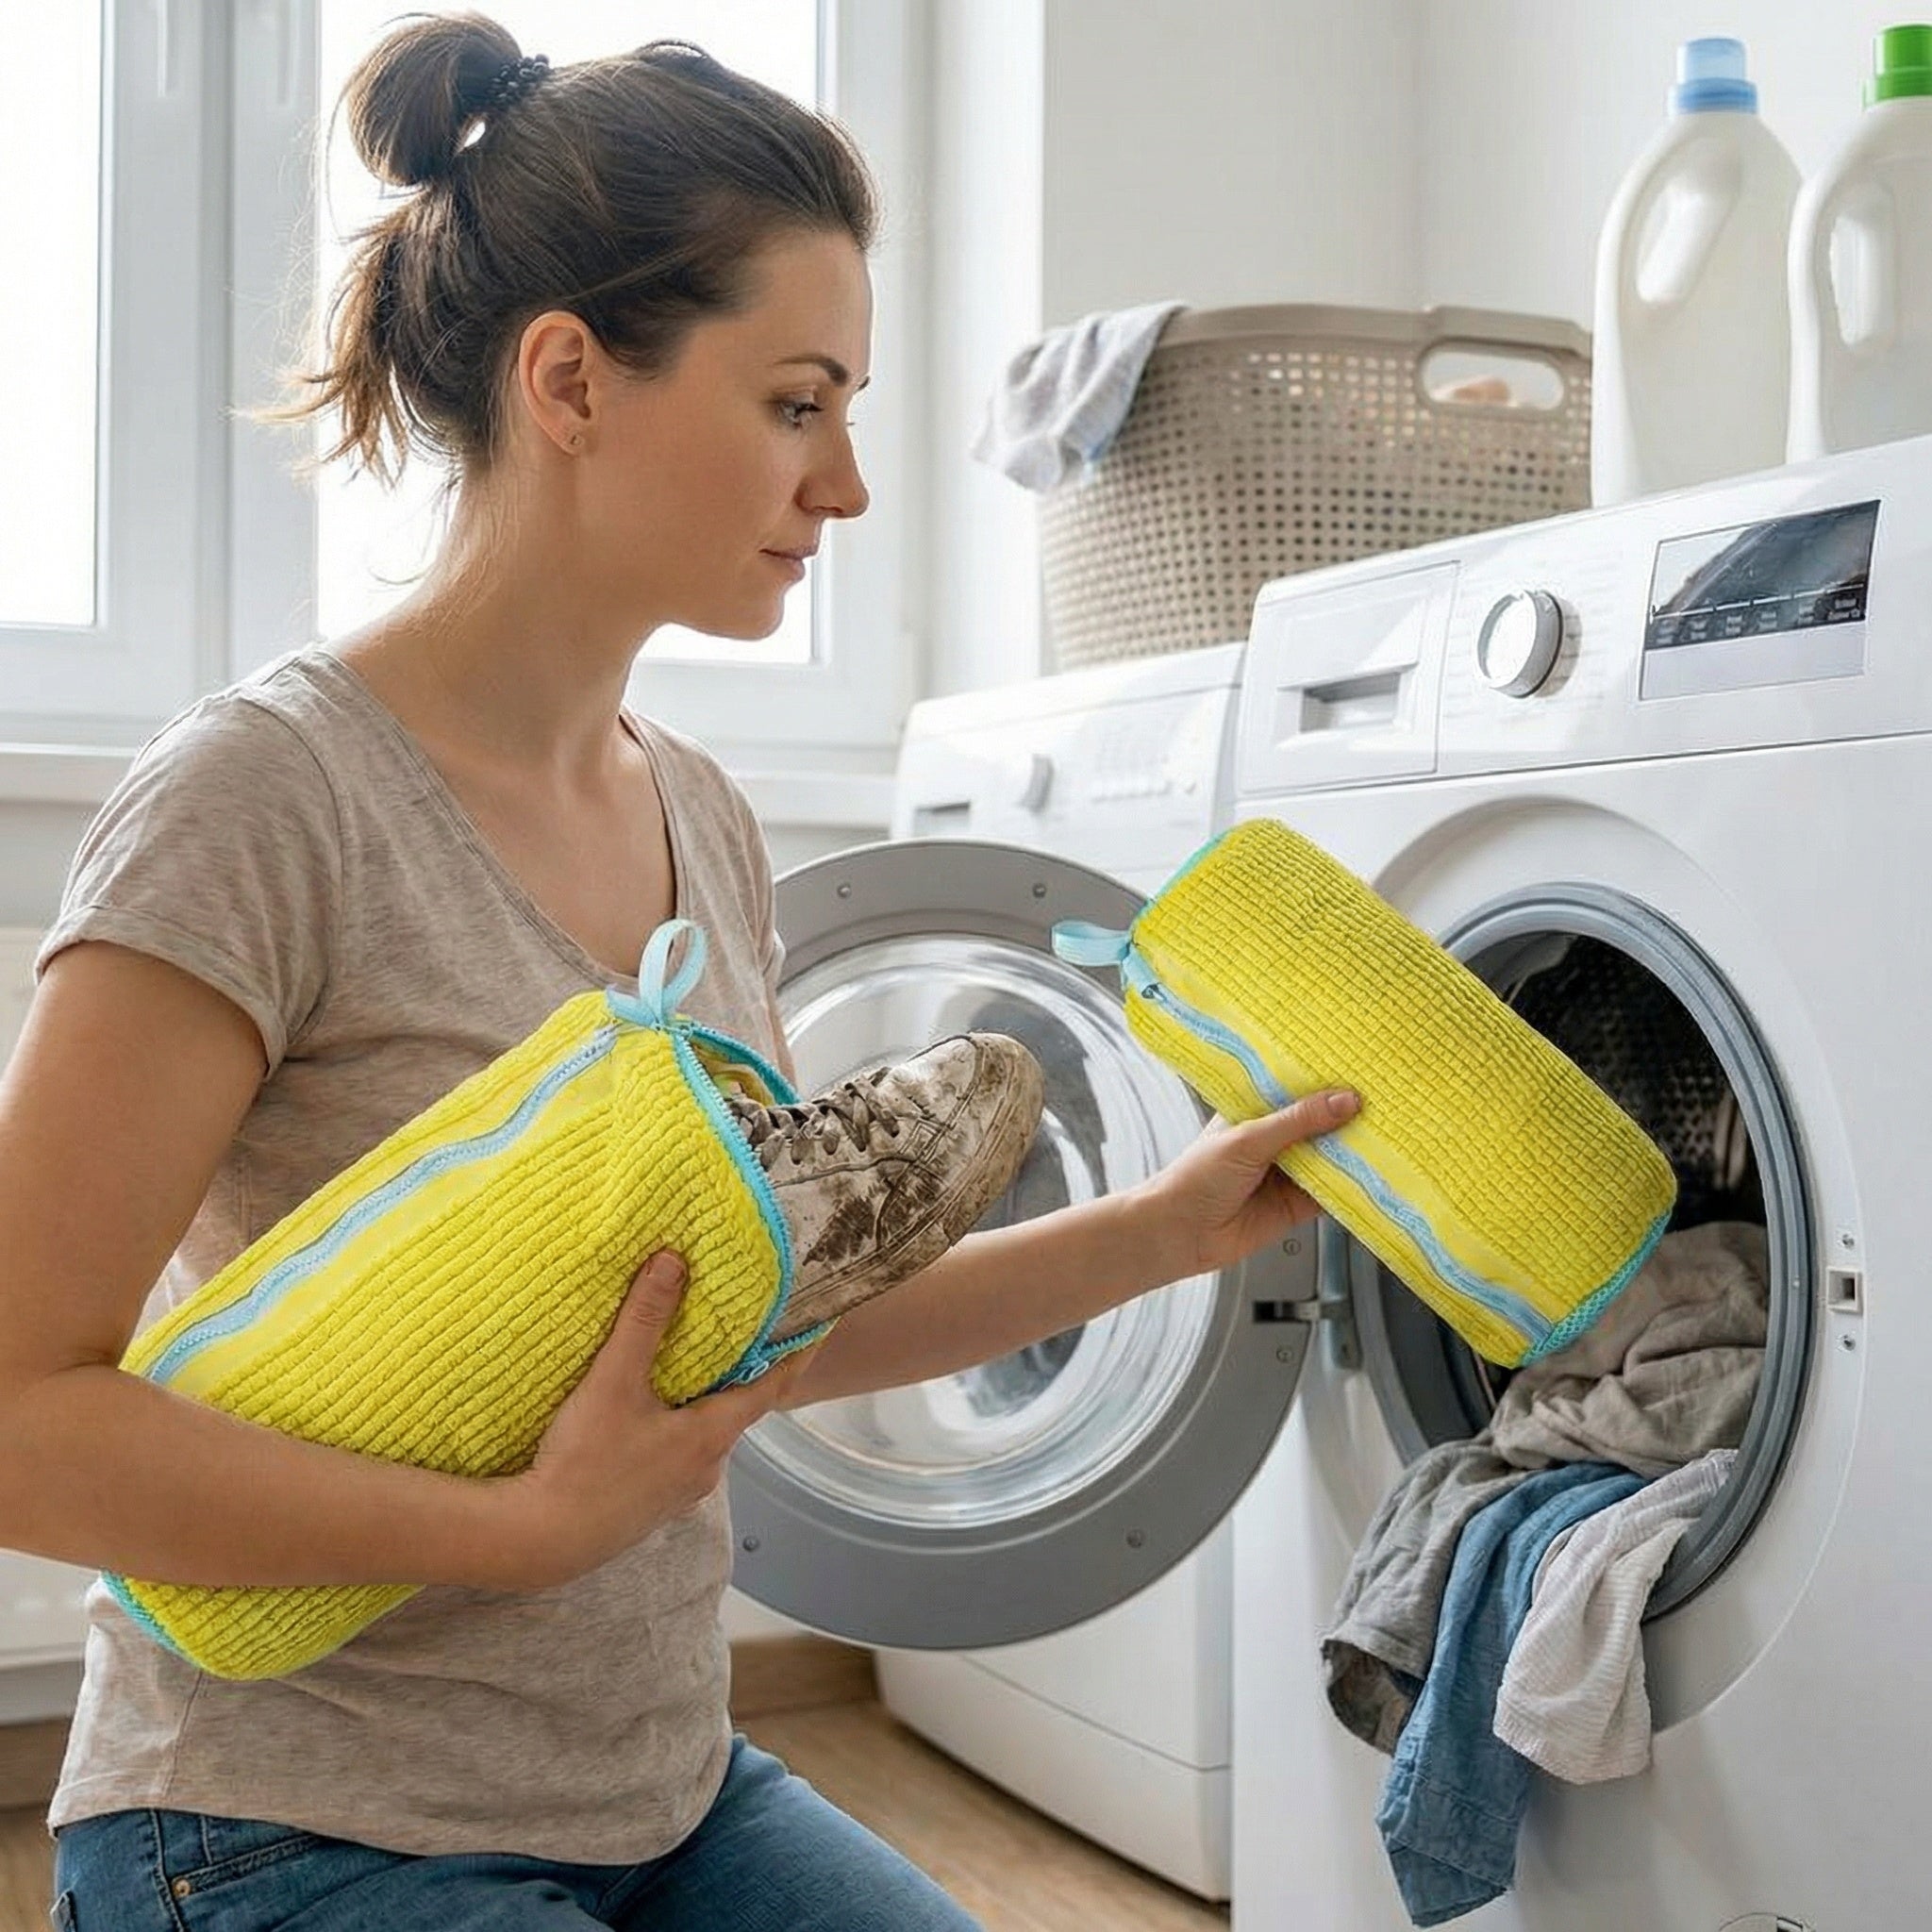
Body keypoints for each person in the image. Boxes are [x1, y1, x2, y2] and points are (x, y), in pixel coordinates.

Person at [0, 18, 1359, 1929]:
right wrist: (516, 1529)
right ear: (568, 378)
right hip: (272, 1820)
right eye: (797, 403)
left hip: (655, 1796)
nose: (850, 487)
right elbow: (18, 1413)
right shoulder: (262, 799)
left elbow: (753, 1309)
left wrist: (1168, 1230)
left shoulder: (699, 816)